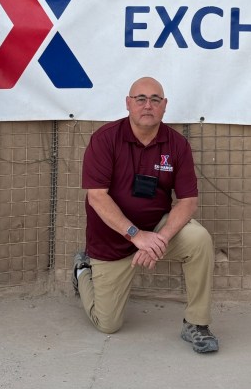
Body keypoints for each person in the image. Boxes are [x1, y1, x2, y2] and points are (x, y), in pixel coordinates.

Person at [73, 76, 218, 354]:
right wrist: (135, 235)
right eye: (140, 99)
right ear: (128, 103)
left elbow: (188, 201)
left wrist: (159, 239)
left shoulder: (176, 144)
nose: (147, 105)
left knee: (199, 239)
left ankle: (196, 323)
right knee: (108, 324)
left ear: (164, 106)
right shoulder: (105, 139)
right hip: (112, 240)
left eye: (155, 99)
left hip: (155, 230)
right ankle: (82, 270)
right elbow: (97, 196)